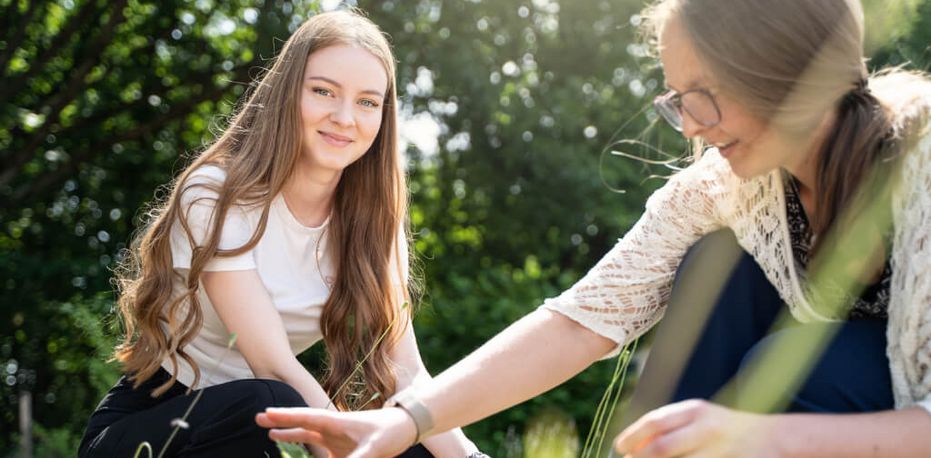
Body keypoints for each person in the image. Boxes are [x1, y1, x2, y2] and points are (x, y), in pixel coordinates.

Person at [253, 0, 931, 456]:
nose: (689, 125)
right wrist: (408, 421)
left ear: (789, 73)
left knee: (813, 362)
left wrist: (758, 434)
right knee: (714, 264)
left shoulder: (919, 161)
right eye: (676, 100)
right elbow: (582, 320)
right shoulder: (729, 185)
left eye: (704, 94)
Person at [78, 10, 480, 458]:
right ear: (289, 93)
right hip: (158, 425)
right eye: (323, 91)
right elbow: (271, 363)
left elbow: (405, 371)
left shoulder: (373, 221)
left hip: (268, 421)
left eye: (368, 102)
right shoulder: (215, 193)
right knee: (269, 403)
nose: (345, 117)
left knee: (412, 441)